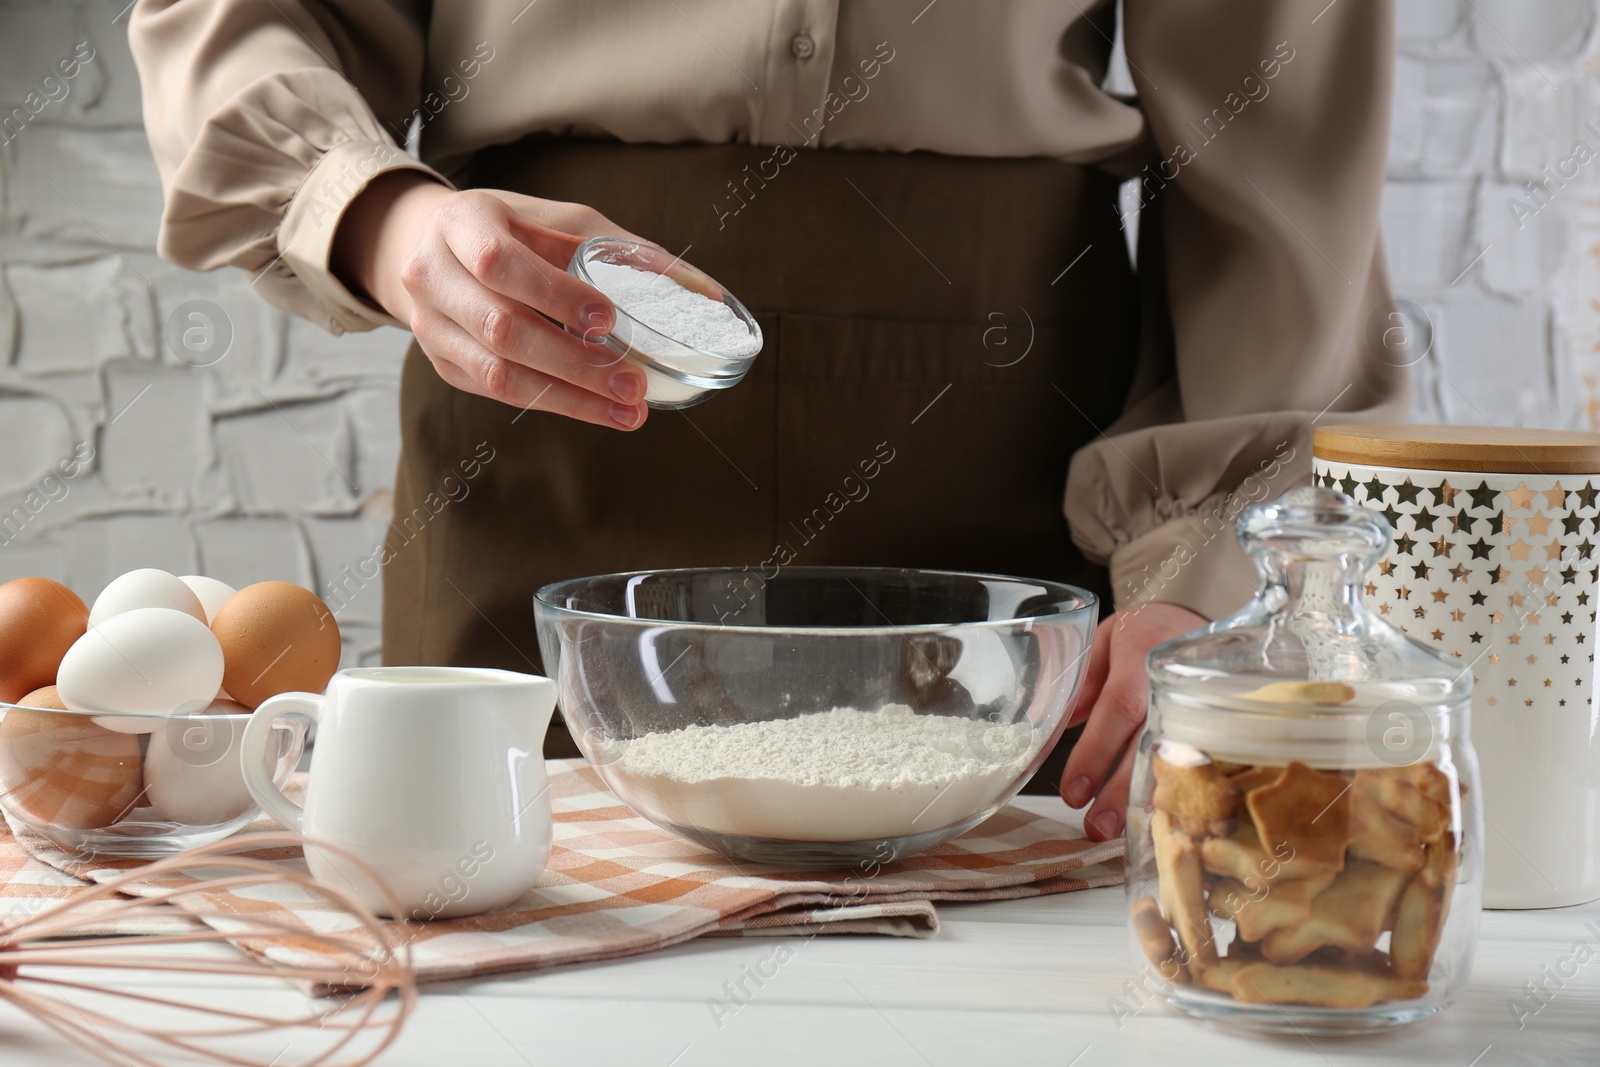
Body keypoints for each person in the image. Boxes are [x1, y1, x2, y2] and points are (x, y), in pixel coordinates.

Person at [129, 1, 1407, 841]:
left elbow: (1279, 108)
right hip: (546, 407)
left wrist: (1204, 568)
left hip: (1014, 441)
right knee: (519, 965)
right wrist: (380, 216)